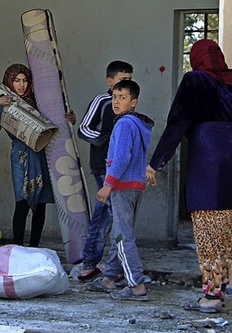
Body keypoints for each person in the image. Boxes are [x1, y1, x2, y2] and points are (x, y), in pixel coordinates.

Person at [146, 39, 232, 313]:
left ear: (197, 58)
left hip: (207, 156)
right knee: (225, 227)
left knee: (206, 227)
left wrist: (157, 162)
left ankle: (210, 297)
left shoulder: (195, 80)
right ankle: (220, 288)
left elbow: (178, 122)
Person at [85, 80, 154, 302]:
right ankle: (108, 279)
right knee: (120, 232)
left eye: (122, 97)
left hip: (122, 187)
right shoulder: (137, 124)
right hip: (135, 186)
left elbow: (122, 157)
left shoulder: (124, 124)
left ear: (133, 102)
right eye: (114, 96)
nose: (116, 101)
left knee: (123, 238)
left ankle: (137, 286)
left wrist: (108, 184)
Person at [77, 60, 133, 281]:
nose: (126, 84)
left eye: (129, 80)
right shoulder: (102, 101)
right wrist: (105, 141)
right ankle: (91, 263)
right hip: (103, 166)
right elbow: (84, 129)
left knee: (113, 215)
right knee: (105, 214)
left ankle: (107, 265)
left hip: (121, 169)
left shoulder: (129, 104)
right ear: (110, 81)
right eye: (122, 80)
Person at [0, 63, 55, 247]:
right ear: (9, 81)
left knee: (40, 204)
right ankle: (18, 247)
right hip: (21, 157)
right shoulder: (6, 103)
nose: (21, 85)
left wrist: (68, 118)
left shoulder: (38, 101)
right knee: (22, 202)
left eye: (25, 80)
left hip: (40, 154)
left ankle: (34, 247)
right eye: (16, 80)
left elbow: (54, 123)